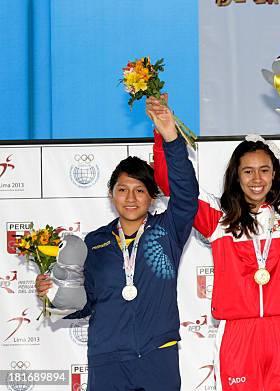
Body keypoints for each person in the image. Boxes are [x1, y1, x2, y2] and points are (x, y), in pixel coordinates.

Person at [148, 96, 280, 390]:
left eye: (264, 170)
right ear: (236, 176)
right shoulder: (217, 219)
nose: (256, 179)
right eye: (248, 171)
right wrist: (164, 136)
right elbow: (174, 185)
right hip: (238, 332)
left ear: (274, 175)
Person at [35, 102, 199, 390]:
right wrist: (54, 296)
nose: (131, 198)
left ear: (152, 197)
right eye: (122, 189)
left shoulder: (168, 229)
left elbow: (186, 193)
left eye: (140, 190)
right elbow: (83, 304)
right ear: (111, 195)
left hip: (157, 355)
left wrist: (172, 139)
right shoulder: (95, 242)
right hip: (107, 359)